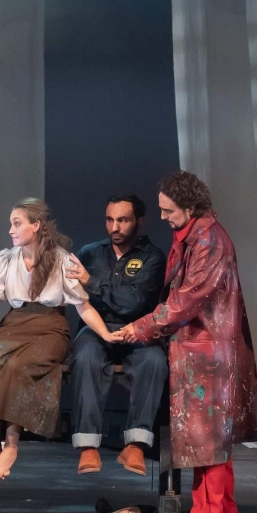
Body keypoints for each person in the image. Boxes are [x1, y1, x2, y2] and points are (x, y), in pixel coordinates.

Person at [116, 170, 257, 513]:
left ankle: (208, 512)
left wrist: (140, 327)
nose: (163, 216)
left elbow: (187, 299)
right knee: (214, 433)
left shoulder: (209, 241)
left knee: (207, 435)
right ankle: (224, 506)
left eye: (169, 210)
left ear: (190, 206)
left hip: (207, 349)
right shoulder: (194, 236)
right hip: (203, 345)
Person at [0, 198, 117, 480]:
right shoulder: (6, 259)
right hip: (15, 324)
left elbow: (83, 307)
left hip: (50, 328)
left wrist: (105, 333)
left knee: (18, 366)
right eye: (11, 223)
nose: (11, 229)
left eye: (17, 223)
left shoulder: (61, 259)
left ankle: (12, 444)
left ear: (36, 226)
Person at [65, 194, 167, 476]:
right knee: (85, 357)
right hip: (97, 327)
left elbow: (133, 302)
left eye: (123, 220)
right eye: (110, 220)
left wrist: (91, 282)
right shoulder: (90, 253)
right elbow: (70, 290)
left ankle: (135, 445)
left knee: (154, 362)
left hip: (137, 329)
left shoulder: (153, 257)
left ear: (140, 222)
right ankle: (88, 445)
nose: (115, 227)